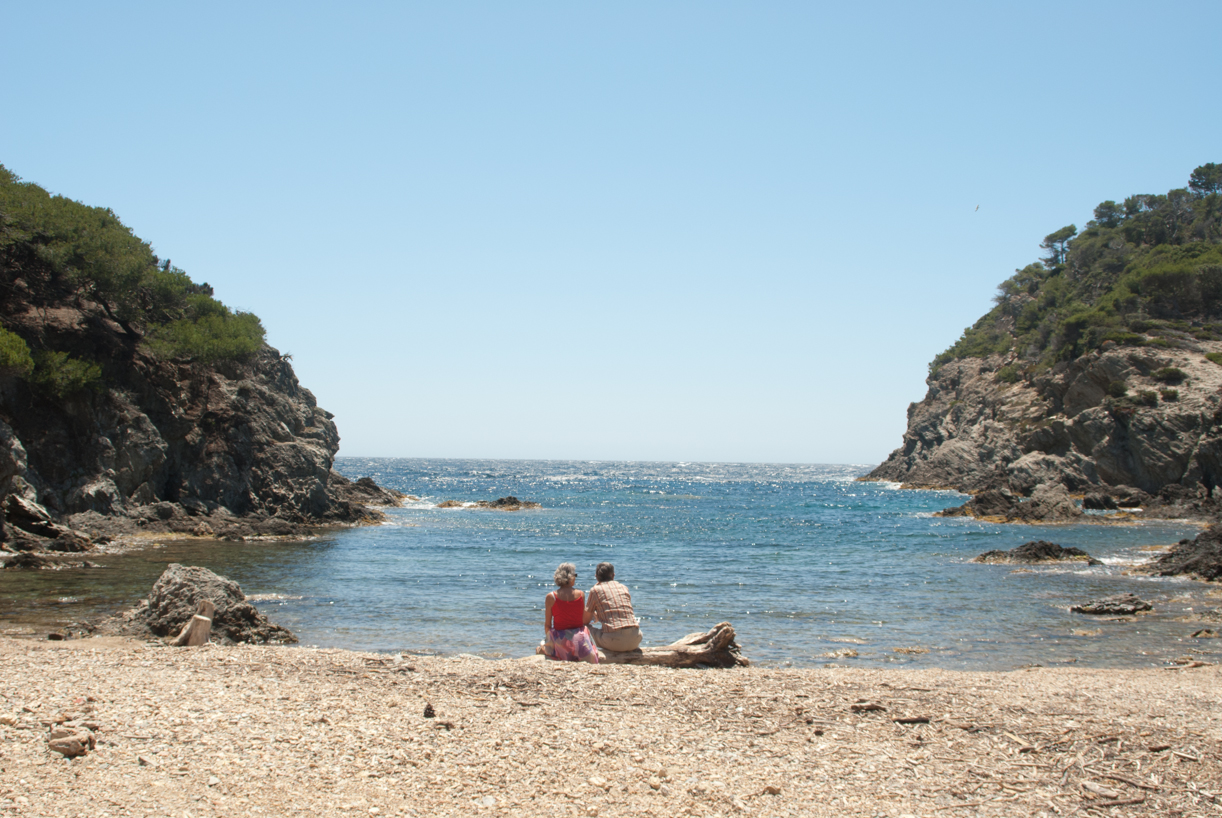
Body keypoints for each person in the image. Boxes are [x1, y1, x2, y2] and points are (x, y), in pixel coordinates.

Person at [539, 562, 599, 663]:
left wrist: (550, 641)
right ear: (571, 578)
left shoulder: (551, 597)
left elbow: (547, 625)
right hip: (580, 638)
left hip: (561, 639)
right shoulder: (581, 594)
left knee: (541, 647)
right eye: (575, 575)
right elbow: (581, 620)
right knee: (584, 629)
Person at [585, 562, 642, 652]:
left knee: (584, 627)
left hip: (614, 641)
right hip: (636, 638)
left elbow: (586, 620)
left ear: (596, 577)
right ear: (613, 576)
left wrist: (594, 615)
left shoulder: (595, 590)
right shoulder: (623, 587)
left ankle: (584, 653)